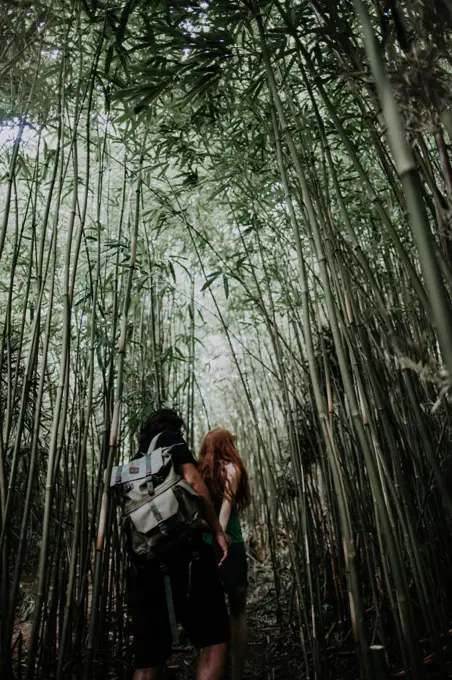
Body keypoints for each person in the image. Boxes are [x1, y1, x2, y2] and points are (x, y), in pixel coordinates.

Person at [128, 409, 230, 680]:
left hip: (145, 562)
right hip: (186, 555)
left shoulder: (135, 461)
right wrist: (218, 531)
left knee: (149, 658)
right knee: (214, 639)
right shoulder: (171, 440)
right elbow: (194, 482)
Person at [198, 428, 251, 680]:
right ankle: (236, 672)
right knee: (238, 611)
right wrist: (221, 537)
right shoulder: (232, 469)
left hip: (207, 546)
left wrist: (209, 533)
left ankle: (216, 669)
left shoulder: (198, 474)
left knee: (214, 612)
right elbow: (226, 509)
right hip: (230, 544)